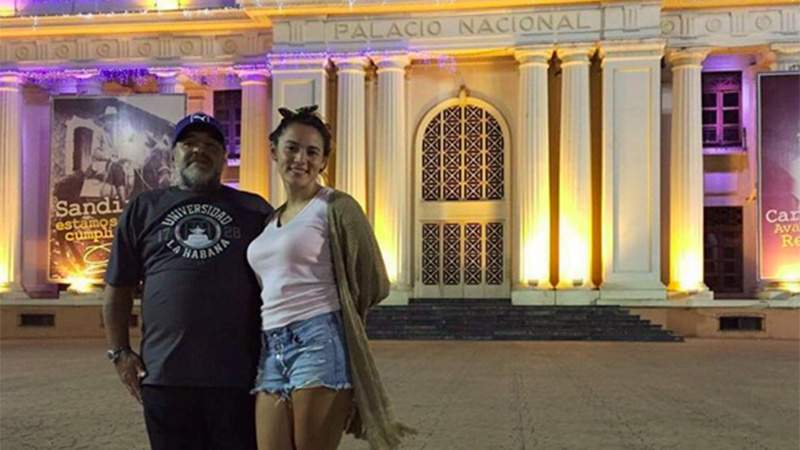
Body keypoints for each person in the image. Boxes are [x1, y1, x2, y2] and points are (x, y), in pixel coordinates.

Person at [102, 112, 273, 450]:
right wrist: (119, 351)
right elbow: (118, 287)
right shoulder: (143, 208)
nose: (200, 150)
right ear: (172, 154)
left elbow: (280, 286)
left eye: (211, 145)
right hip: (166, 377)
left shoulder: (254, 211)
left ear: (225, 157)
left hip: (239, 377)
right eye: (189, 143)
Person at [248, 105, 414, 450]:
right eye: (292, 147)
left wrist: (339, 314)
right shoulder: (269, 220)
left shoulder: (336, 207)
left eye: (313, 152)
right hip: (272, 346)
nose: (301, 159)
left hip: (318, 340)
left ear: (324, 161)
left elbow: (374, 281)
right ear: (273, 151)